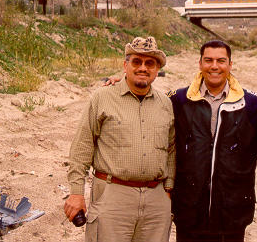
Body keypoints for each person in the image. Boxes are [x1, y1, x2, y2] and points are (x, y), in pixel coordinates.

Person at [64, 36, 175, 242]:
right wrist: (76, 192)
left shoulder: (166, 104)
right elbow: (82, 146)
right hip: (112, 195)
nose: (143, 67)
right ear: (125, 65)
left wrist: (168, 188)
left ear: (157, 69)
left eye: (150, 63)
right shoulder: (102, 98)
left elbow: (171, 149)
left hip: (156, 201)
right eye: (136, 62)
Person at [168, 40, 257, 242]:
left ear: (230, 64)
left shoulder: (252, 104)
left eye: (221, 61)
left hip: (233, 212)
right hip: (189, 211)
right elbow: (147, 99)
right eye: (208, 60)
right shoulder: (178, 100)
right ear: (200, 63)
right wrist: (119, 82)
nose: (214, 66)